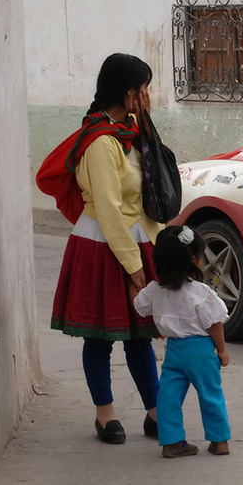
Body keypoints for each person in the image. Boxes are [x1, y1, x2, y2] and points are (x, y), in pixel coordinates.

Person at [47, 53, 162, 444]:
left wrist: (147, 122)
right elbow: (111, 211)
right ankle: (105, 414)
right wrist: (134, 266)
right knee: (99, 336)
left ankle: (155, 412)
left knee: (139, 335)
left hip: (137, 240)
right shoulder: (99, 142)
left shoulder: (132, 131)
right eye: (144, 89)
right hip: (102, 244)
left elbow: (154, 183)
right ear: (129, 93)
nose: (148, 96)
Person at [133, 226, 231, 457]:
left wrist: (132, 286)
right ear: (193, 260)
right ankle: (219, 441)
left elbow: (138, 304)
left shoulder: (155, 290)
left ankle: (172, 442)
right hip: (202, 351)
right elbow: (214, 323)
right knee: (210, 395)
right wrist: (222, 350)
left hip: (175, 352)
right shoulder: (201, 291)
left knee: (168, 397)